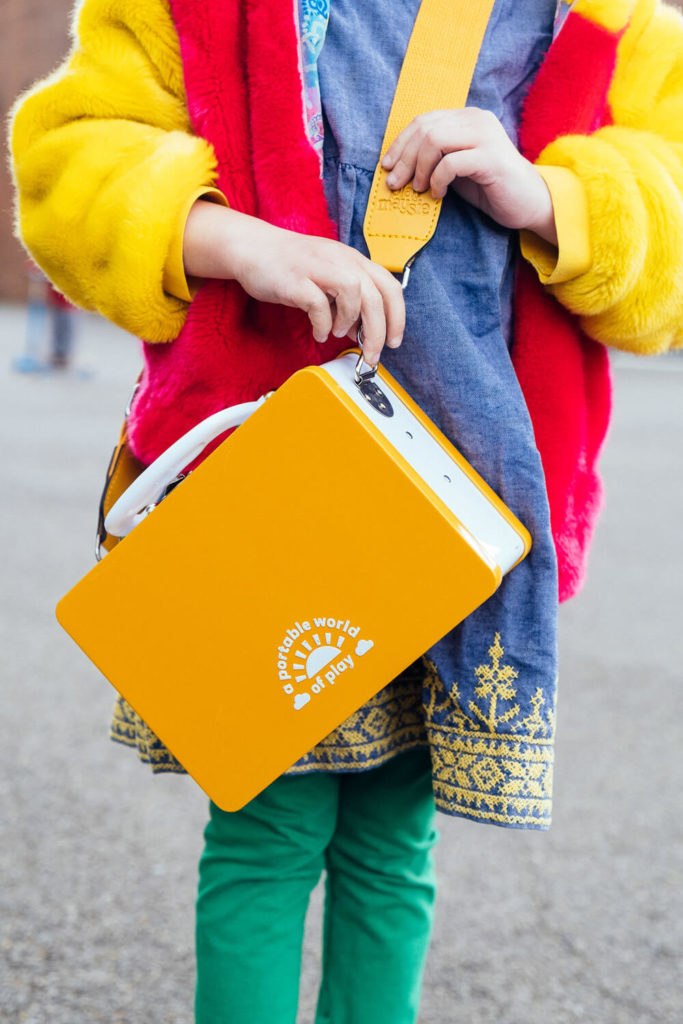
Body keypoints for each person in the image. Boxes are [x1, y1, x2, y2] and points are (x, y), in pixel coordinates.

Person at [9, 0, 683, 1021]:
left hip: (467, 496)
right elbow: (72, 163)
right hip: (268, 468)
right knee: (267, 828)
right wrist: (231, 240)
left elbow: (665, 232)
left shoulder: (603, 16)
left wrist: (548, 196)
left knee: (387, 840)